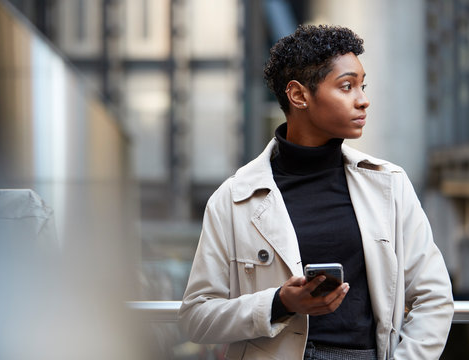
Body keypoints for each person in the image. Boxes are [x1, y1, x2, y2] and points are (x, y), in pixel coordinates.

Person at [179, 24, 454, 360]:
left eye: (362, 86)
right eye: (347, 86)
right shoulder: (234, 198)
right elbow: (196, 317)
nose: (363, 100)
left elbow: (434, 296)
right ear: (298, 96)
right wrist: (279, 303)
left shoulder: (389, 185)